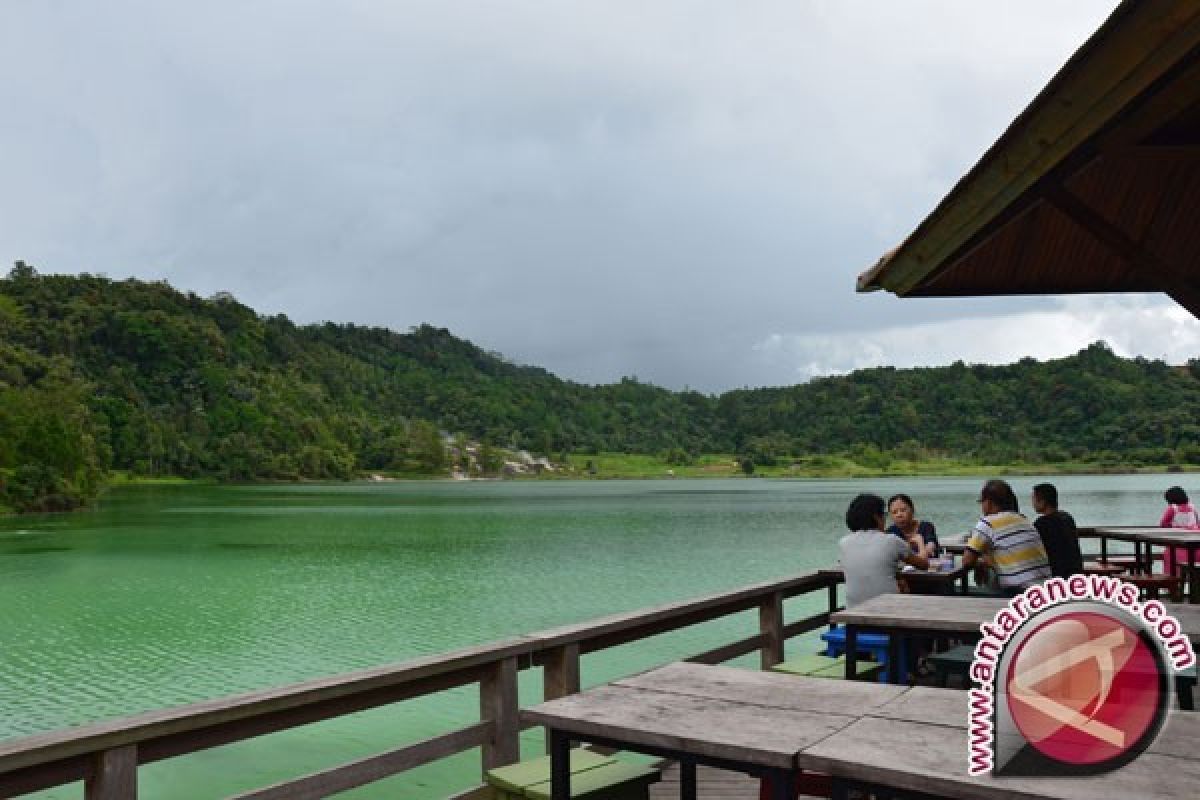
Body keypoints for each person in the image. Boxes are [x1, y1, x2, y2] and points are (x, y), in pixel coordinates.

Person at [961, 479, 1051, 595]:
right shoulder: (1023, 519)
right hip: (1046, 590)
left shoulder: (987, 523)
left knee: (989, 573)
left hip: (1020, 592)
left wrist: (980, 563)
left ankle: (989, 607)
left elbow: (967, 561)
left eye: (981, 502)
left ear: (988, 502)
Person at [839, 493, 929, 607]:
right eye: (884, 514)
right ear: (877, 517)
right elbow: (924, 564)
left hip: (853, 614)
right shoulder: (891, 541)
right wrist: (920, 542)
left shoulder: (844, 543)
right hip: (889, 611)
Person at [1031, 483, 1083, 578]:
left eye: (1034, 499)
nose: (1032, 503)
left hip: (1056, 574)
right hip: (1075, 571)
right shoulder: (1067, 517)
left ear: (1043, 502)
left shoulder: (1041, 524)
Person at [1159, 486, 1200, 576]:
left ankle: (1173, 583)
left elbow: (1163, 524)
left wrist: (1172, 526)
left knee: (1170, 554)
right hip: (1195, 543)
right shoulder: (1192, 508)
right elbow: (1198, 523)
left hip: (1178, 544)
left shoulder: (1173, 509)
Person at [886, 493, 940, 558]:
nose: (899, 515)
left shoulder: (926, 527)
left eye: (903, 510)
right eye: (894, 512)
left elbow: (930, 546)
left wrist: (923, 545)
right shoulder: (891, 532)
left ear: (912, 510)